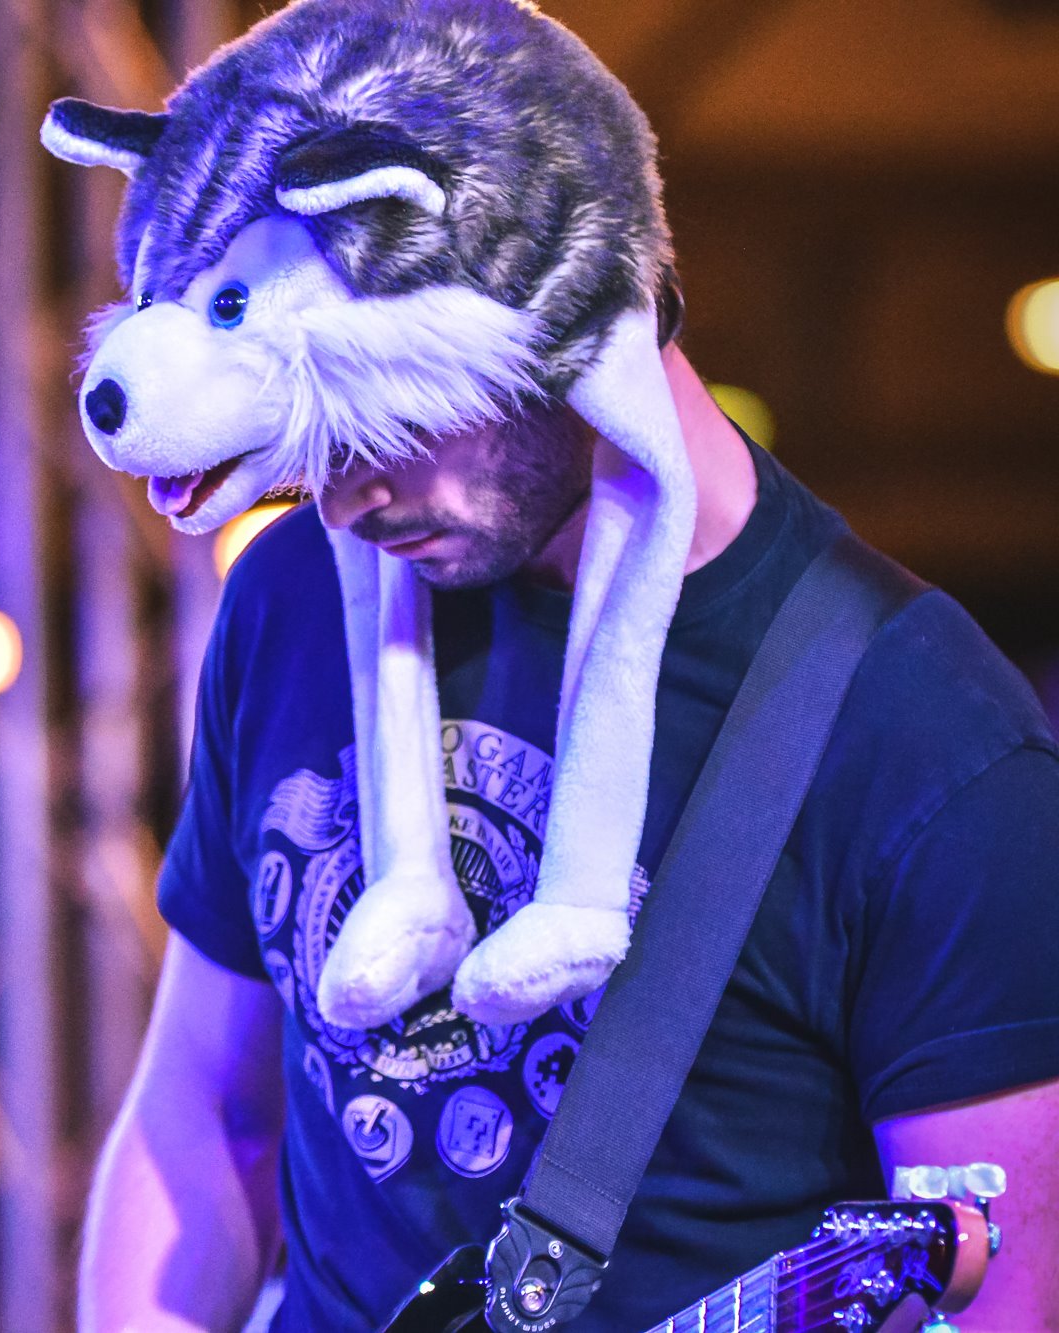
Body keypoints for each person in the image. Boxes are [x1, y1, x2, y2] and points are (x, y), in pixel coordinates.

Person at [76, 345, 1059, 1331]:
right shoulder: (296, 592)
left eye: (395, 408)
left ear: (580, 301)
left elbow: (995, 1295)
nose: (343, 496)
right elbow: (210, 1107)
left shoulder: (927, 735)